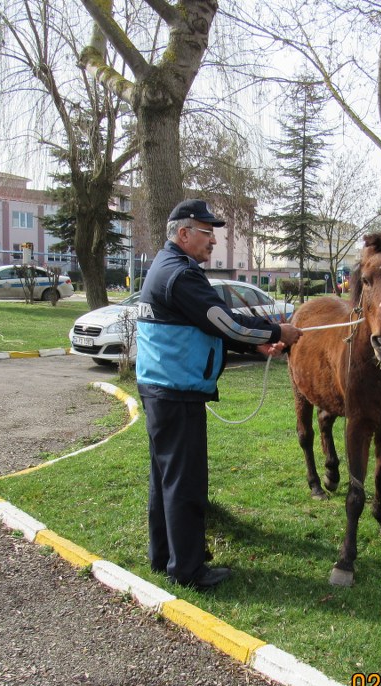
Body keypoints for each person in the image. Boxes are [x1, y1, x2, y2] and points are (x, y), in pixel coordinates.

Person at [136, 199, 303, 591]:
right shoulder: (180, 275)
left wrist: (255, 346)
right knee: (185, 483)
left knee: (165, 480)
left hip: (163, 388)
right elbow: (223, 322)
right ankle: (189, 570)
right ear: (183, 234)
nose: (213, 241)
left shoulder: (169, 268)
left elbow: (204, 328)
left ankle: (164, 555)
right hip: (175, 392)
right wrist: (277, 333)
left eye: (214, 233)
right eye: (207, 233)